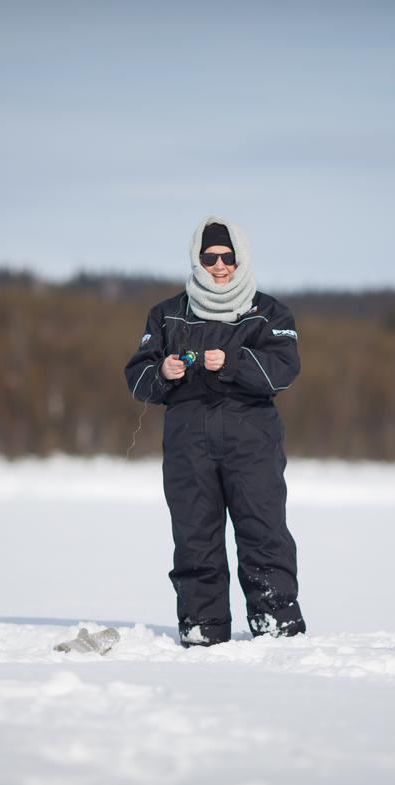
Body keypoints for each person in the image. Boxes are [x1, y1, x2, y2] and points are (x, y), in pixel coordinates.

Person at [124, 215, 306, 647]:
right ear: (196, 260)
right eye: (210, 258)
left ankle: (277, 627)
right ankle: (202, 628)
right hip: (189, 443)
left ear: (240, 259)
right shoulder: (167, 314)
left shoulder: (270, 311)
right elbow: (137, 378)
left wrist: (232, 362)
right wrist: (163, 371)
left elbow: (284, 369)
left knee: (263, 532)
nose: (219, 266)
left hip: (252, 439)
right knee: (195, 536)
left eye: (228, 257)